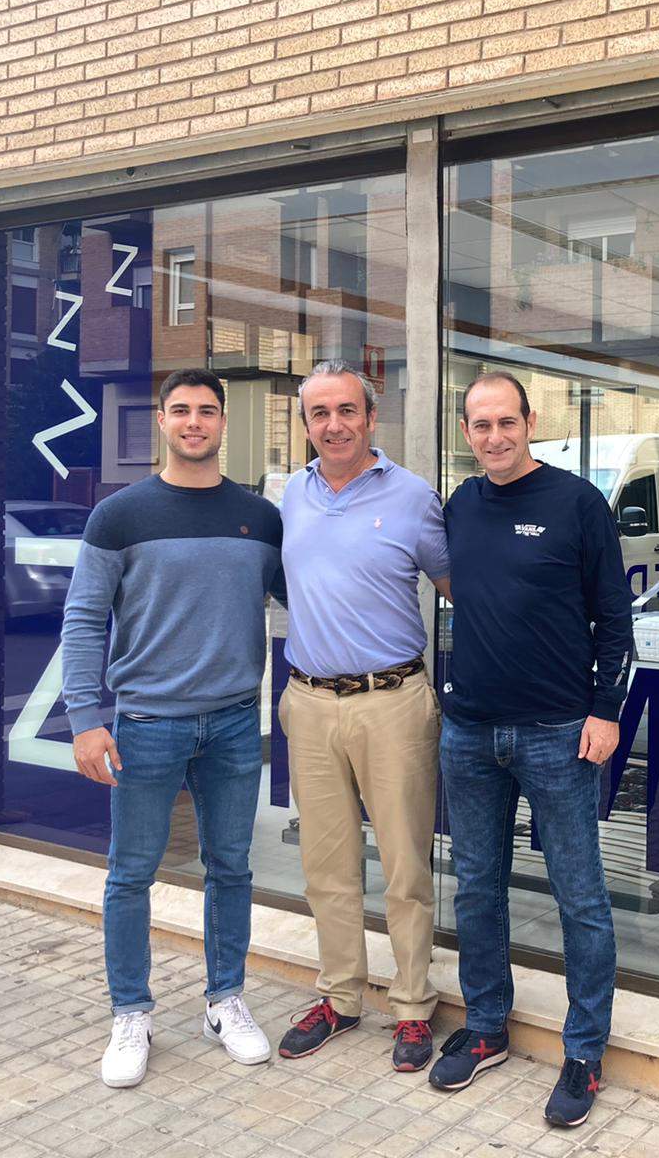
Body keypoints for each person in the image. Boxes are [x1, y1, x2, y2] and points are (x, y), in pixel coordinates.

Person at [63, 369, 283, 1089]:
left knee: (231, 867)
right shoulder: (119, 516)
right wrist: (85, 720)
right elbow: (83, 618)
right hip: (145, 724)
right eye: (181, 410)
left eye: (207, 410)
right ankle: (131, 1012)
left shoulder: (260, 517)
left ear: (223, 423)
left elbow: (309, 597)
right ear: (161, 421)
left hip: (233, 724)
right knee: (131, 874)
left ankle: (226, 1000)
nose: (195, 422)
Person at [429, 371, 633, 1128]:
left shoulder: (577, 503)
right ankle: (487, 1027)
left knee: (580, 897)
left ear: (530, 421)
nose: (494, 437)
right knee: (477, 888)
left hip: (558, 732)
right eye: (480, 425)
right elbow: (467, 593)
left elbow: (615, 617)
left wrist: (605, 711)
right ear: (466, 431)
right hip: (471, 732)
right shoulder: (460, 504)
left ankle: (584, 1051)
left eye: (506, 422)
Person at [274, 359, 451, 1074]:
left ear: (371, 418)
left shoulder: (413, 498)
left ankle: (412, 1006)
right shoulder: (290, 494)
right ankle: (340, 996)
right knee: (327, 867)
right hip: (310, 703)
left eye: (347, 410)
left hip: (394, 703)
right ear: (306, 424)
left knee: (406, 865)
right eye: (319, 413)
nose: (334, 425)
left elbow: (458, 588)